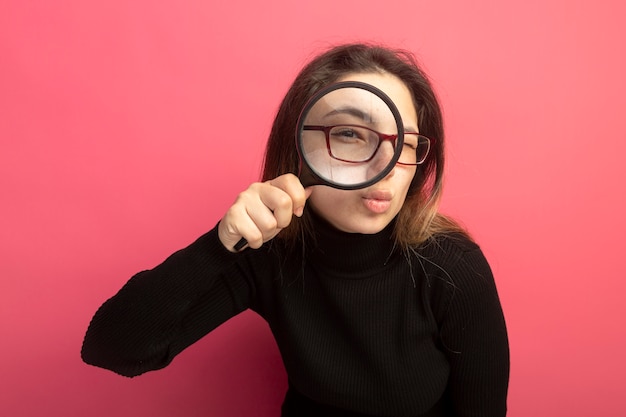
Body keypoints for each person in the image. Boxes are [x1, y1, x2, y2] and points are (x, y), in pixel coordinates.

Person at [81, 43, 509, 417]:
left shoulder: (452, 266)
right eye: (349, 134)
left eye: (407, 143)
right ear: (299, 149)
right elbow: (113, 348)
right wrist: (218, 246)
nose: (386, 169)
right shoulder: (269, 253)